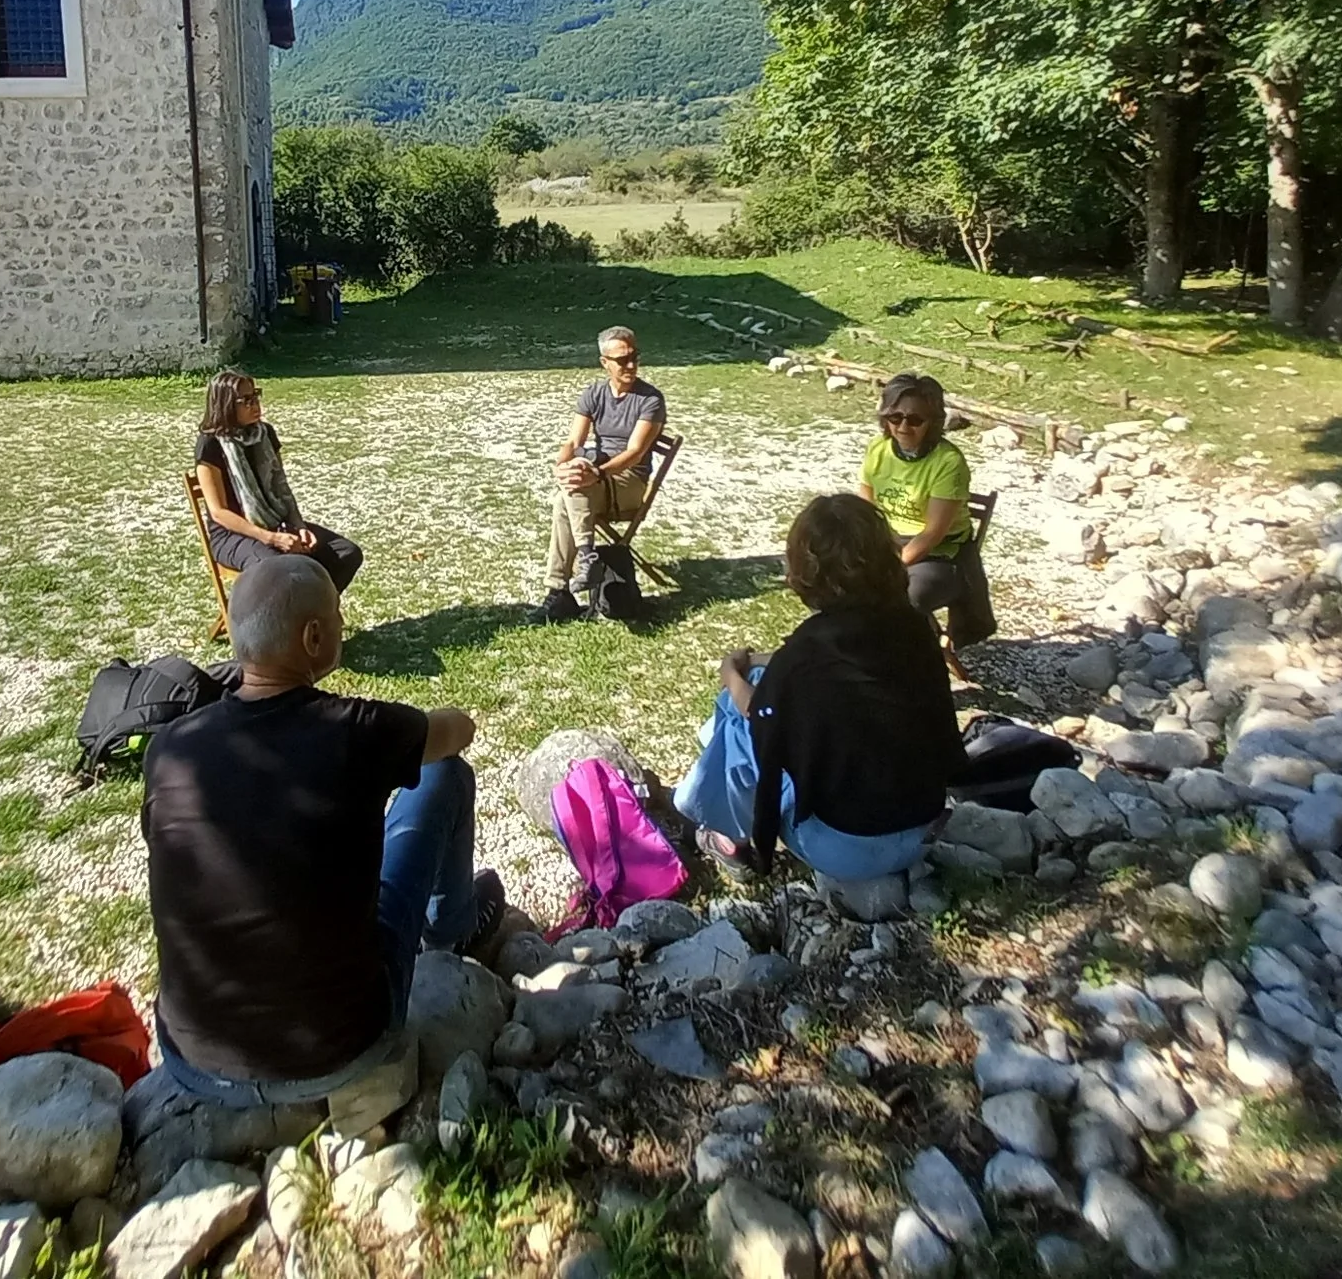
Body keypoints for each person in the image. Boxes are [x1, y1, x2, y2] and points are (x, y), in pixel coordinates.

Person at [141, 555, 506, 1102]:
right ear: (313, 637)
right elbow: (458, 731)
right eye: (337, 616)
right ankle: (451, 927)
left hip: (190, 1057)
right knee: (444, 777)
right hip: (338, 1048)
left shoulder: (170, 747)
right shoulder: (359, 731)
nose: (343, 624)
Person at [674, 493, 967, 878]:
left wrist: (731, 674)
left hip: (847, 848)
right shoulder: (914, 626)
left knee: (738, 717)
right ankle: (706, 801)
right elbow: (841, 668)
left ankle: (725, 832)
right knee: (762, 687)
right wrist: (764, 663)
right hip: (921, 829)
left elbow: (761, 714)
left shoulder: (810, 649)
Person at [537, 325, 667, 623]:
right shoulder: (594, 394)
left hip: (630, 481)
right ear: (604, 363)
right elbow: (573, 442)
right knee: (566, 493)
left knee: (573, 490)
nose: (631, 365)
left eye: (634, 357)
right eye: (622, 360)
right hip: (598, 475)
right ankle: (567, 582)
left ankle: (565, 585)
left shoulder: (650, 399)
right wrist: (562, 467)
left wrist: (594, 472)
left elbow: (634, 453)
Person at [194, 369, 364, 594]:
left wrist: (299, 526)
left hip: (276, 523)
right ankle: (293, 622)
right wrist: (271, 538)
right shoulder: (210, 444)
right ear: (226, 405)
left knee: (346, 553)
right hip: (233, 535)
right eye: (246, 400)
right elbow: (219, 513)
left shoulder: (265, 434)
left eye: (256, 395)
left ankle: (314, 616)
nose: (255, 404)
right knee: (282, 568)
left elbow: (280, 487)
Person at [860, 373, 976, 620]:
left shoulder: (948, 462)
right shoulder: (877, 448)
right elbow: (865, 507)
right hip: (887, 543)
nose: (903, 427)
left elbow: (932, 533)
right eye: (895, 417)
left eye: (915, 420)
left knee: (903, 599)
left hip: (939, 554)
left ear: (932, 422)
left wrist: (890, 569)